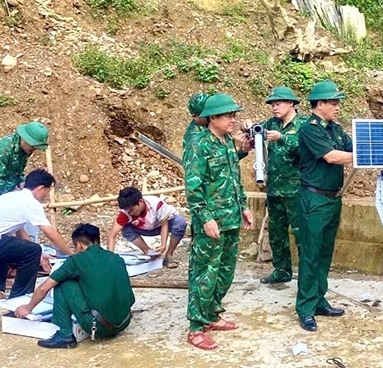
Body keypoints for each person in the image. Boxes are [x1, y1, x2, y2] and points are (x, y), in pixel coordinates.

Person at [184, 93, 254, 350]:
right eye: (228, 116)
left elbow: (233, 178)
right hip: (211, 222)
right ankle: (195, 327)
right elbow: (193, 188)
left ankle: (212, 315)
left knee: (224, 272)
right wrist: (205, 219)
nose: (233, 120)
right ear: (212, 118)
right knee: (204, 273)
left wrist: (244, 206)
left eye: (234, 115)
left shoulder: (225, 142)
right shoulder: (198, 144)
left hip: (231, 217)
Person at [15, 224, 135, 349]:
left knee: (62, 283)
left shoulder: (76, 260)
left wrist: (28, 308)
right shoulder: (116, 258)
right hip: (123, 322)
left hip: (100, 326)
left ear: (79, 245)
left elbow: (44, 288)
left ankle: (65, 335)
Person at [0, 169, 74, 304]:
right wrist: (71, 254)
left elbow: (20, 232)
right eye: (47, 190)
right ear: (40, 188)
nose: (47, 194)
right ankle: (20, 298)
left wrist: (40, 254)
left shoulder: (13, 197)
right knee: (32, 250)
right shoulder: (31, 203)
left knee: (9, 247)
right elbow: (51, 234)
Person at [295, 81, 353, 333]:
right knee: (310, 254)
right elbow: (332, 156)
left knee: (324, 253)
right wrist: (371, 153)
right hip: (313, 199)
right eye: (333, 102)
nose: (337, 107)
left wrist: (377, 150)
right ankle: (305, 308)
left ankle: (319, 300)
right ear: (319, 105)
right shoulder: (310, 130)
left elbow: (351, 147)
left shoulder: (336, 130)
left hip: (332, 199)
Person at [256, 86, 307, 284]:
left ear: (291, 103)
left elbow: (306, 149)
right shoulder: (271, 123)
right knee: (277, 233)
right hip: (274, 189)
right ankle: (281, 270)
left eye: (278, 104)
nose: (274, 108)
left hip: (296, 190)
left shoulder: (304, 124)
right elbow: (256, 132)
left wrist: (282, 137)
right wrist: (248, 128)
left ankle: (306, 274)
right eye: (272, 104)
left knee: (301, 234)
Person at [0, 121, 50, 216]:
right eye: (33, 146)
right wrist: (14, 194)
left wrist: (22, 183)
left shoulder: (24, 150)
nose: (34, 149)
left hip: (4, 197)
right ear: (25, 139)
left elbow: (16, 172)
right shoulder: (2, 150)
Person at [107, 186, 187, 269]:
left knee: (180, 222)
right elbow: (112, 235)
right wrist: (110, 259)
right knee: (125, 229)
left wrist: (163, 245)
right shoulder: (125, 213)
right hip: (145, 229)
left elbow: (164, 225)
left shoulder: (155, 204)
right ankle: (148, 252)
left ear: (140, 201)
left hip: (162, 225)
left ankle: (169, 255)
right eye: (128, 211)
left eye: (132, 210)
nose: (130, 213)